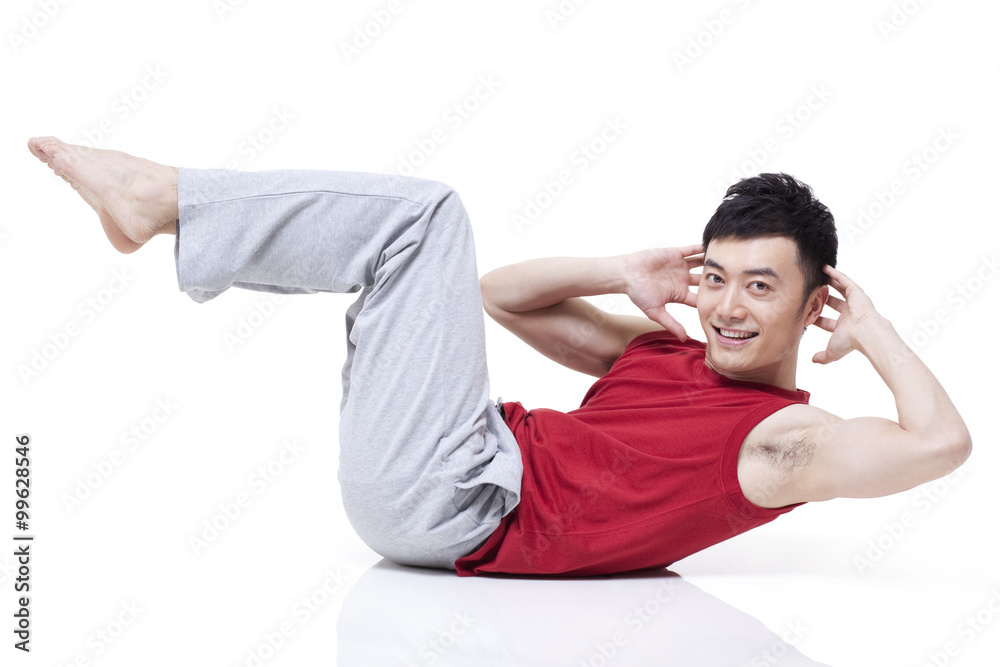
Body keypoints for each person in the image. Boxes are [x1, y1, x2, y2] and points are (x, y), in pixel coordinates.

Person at [27, 137, 972, 577]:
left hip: (465, 500)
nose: (725, 306)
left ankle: (170, 202)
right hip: (456, 465)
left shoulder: (782, 439)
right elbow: (498, 295)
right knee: (403, 256)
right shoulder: (662, 351)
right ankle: (181, 216)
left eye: (760, 287)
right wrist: (620, 268)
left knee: (425, 218)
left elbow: (941, 445)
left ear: (815, 303)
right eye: (715, 276)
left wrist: (875, 327)